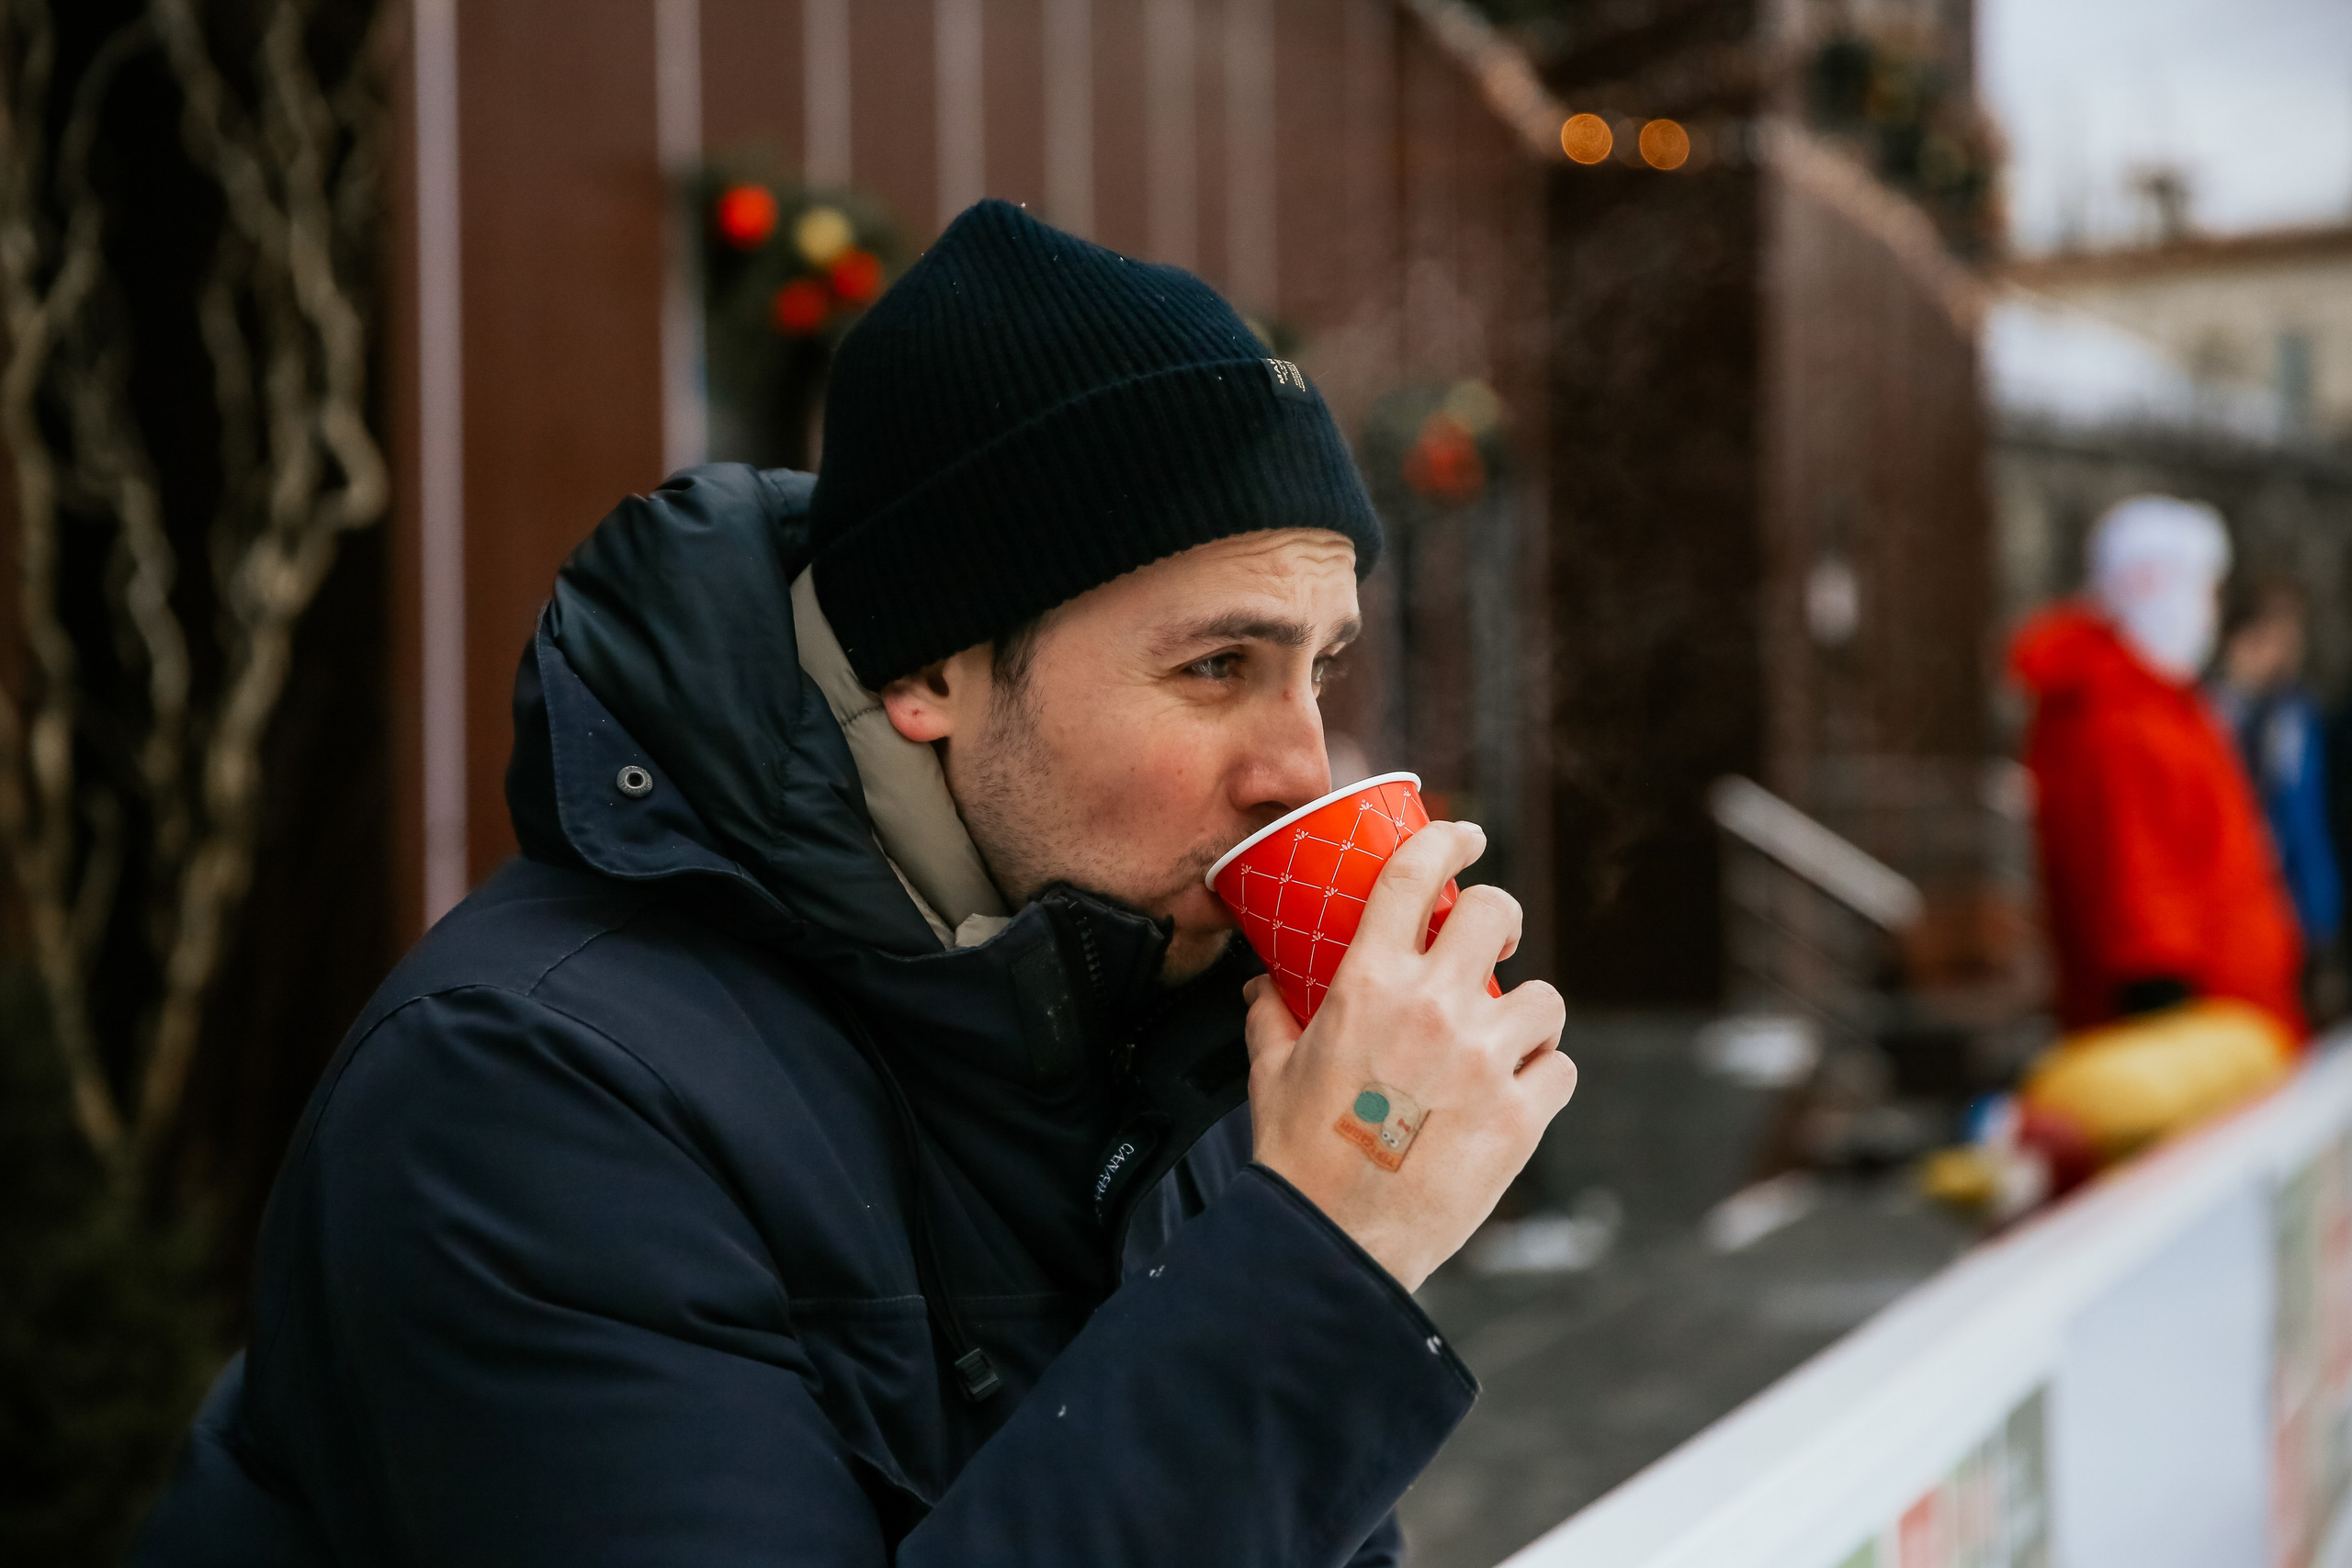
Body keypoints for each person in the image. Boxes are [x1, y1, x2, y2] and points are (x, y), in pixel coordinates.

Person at [130, 200, 1575, 1566]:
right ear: (923, 672)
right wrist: (1326, 1246)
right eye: (1216, 667)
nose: (1301, 765)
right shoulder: (528, 1092)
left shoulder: (1161, 1032)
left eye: (1321, 668)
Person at [2007, 495, 2303, 1038]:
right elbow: (2138, 885)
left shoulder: (2158, 702)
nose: (2212, 613)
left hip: (2228, 1013)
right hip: (2200, 1025)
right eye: (2206, 592)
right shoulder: (2119, 716)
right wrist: (2164, 1014)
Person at [2208, 580, 2341, 972]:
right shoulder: (2207, 710)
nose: (2282, 651)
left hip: (2297, 905)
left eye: (2291, 636)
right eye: (2268, 637)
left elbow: (2312, 816)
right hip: (2232, 903)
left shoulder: (2298, 715)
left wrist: (2322, 912)